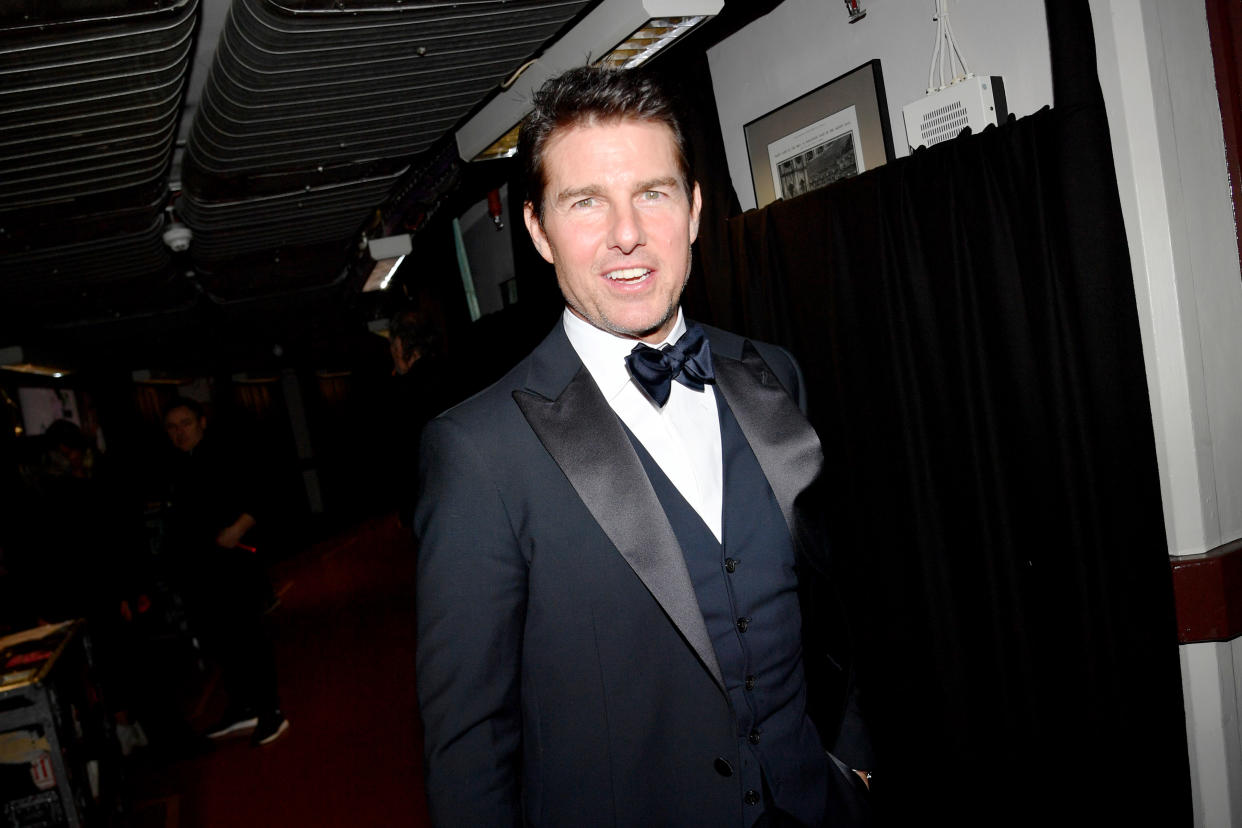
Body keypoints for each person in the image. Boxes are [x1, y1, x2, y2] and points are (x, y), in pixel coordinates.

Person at [414, 66, 872, 827]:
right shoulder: (477, 452)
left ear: (692, 210)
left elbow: (836, 594)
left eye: (653, 193)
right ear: (538, 230)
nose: (627, 233)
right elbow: (468, 751)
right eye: (586, 201)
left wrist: (853, 759)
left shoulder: (773, 376)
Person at [162, 399, 288, 746]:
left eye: (185, 423)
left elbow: (263, 493)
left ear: (202, 422)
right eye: (172, 427)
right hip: (200, 571)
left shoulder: (225, 454)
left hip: (233, 565)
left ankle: (270, 710)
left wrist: (238, 528)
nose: (179, 433)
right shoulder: (177, 465)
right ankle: (242, 707)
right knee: (221, 640)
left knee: (247, 638)